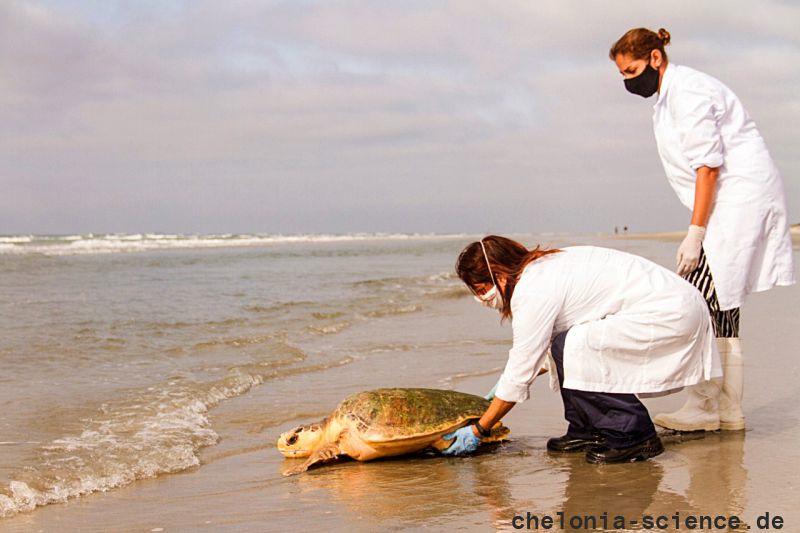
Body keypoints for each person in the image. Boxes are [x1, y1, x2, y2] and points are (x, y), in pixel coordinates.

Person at [609, 28, 795, 431]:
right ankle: (727, 411)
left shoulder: (689, 91)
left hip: (738, 200)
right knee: (717, 302)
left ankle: (706, 404)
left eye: (632, 70)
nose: (628, 81)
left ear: (656, 58)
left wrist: (695, 233)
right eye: (622, 74)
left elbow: (707, 166)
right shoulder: (669, 96)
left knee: (698, 298)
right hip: (729, 204)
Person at [442, 236, 720, 463]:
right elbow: (535, 356)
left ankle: (633, 435)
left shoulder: (533, 289)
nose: (481, 299)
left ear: (500, 275)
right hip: (668, 306)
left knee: (575, 346)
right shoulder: (541, 269)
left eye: (480, 289)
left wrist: (479, 430)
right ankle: (588, 430)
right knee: (565, 344)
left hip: (669, 314)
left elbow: (523, 366)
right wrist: (501, 388)